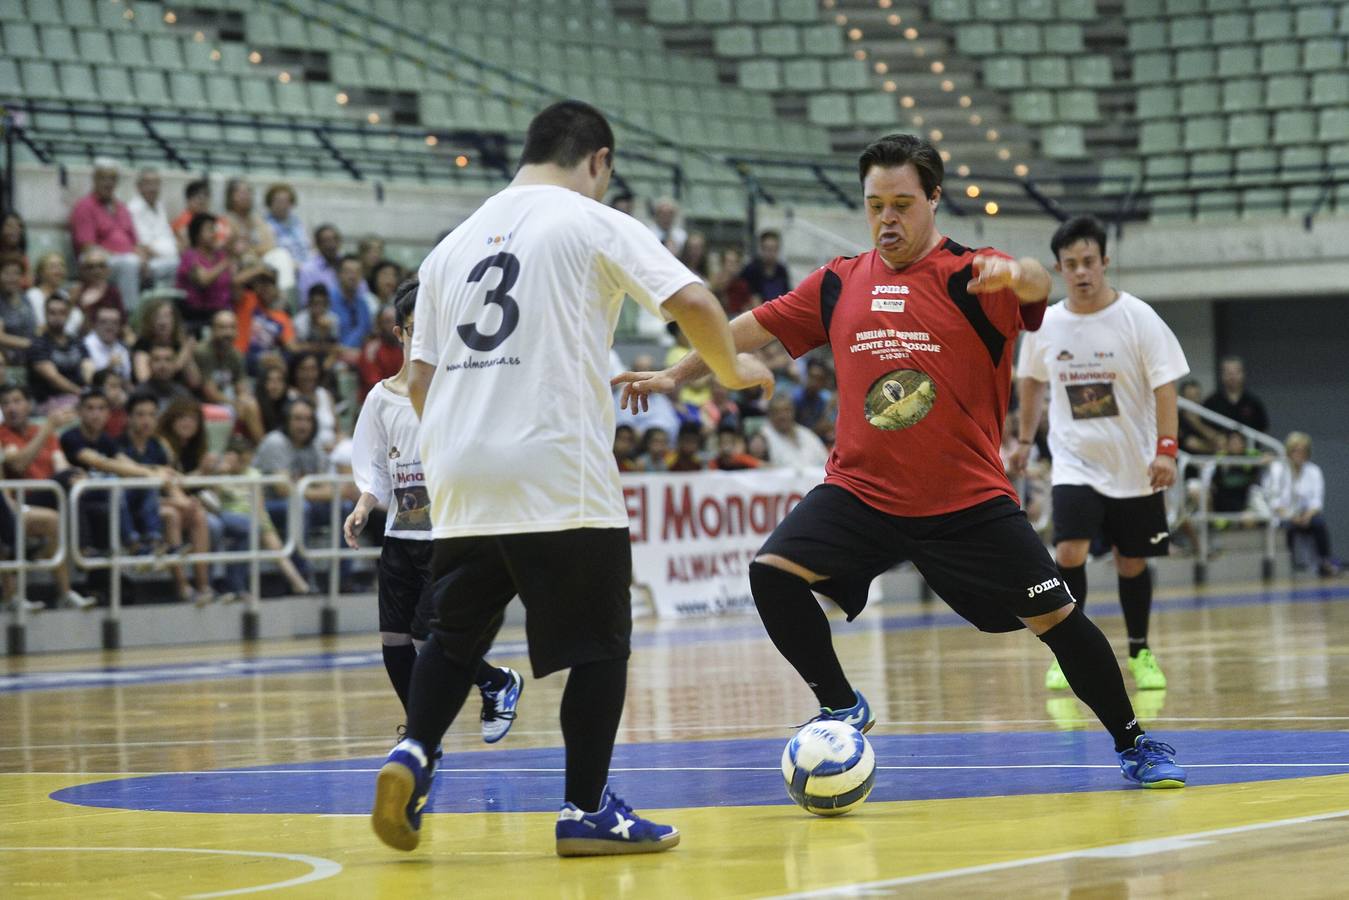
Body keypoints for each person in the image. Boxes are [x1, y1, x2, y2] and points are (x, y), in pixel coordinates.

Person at [616, 133, 1186, 790]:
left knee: (1056, 620)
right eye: (874, 204)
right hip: (862, 492)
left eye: (902, 204)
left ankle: (1132, 741)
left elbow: (1033, 277)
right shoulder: (837, 281)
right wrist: (675, 373)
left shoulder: (973, 275)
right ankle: (839, 703)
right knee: (771, 573)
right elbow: (751, 327)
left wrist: (1017, 274)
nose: (887, 218)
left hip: (966, 500)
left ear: (933, 199)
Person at [371, 100, 772, 857]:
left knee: (455, 636)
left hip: (458, 469)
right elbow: (693, 300)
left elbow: (417, 378)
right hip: (553, 463)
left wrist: (464, 438)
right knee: (598, 645)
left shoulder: (449, 247)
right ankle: (586, 810)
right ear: (599, 160)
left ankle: (412, 753)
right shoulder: (590, 220)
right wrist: (730, 372)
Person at [1012, 215, 1190, 693]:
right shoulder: (1046, 323)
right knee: (1068, 550)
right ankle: (1070, 652)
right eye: (1070, 265)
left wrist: (1166, 451)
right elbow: (1029, 381)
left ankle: (1139, 649)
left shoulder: (1137, 316)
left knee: (1130, 561)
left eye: (1089, 262)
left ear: (1105, 261)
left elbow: (1165, 385)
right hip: (1074, 463)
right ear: (1059, 268)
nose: (1081, 272)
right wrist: (1026, 440)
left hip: (1134, 465)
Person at [344, 280, 524, 742]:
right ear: (399, 332)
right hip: (401, 538)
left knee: (429, 638)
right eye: (413, 329)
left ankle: (493, 683)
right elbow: (378, 465)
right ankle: (423, 736)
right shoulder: (381, 398)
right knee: (394, 643)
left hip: (447, 537)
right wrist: (365, 503)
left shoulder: (457, 392)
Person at [119, 391, 199, 601]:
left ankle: (203, 586)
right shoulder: (119, 444)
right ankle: (179, 581)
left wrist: (184, 501)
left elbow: (169, 479)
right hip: (127, 508)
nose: (146, 421)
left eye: (152, 415)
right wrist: (177, 501)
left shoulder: (158, 446)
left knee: (196, 514)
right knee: (171, 513)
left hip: (154, 504)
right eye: (140, 415)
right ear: (129, 417)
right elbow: (142, 481)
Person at [213, 436, 311, 598]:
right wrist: (219, 474)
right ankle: (297, 583)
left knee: (275, 545)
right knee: (251, 529)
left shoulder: (253, 474)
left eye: (241, 457)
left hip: (254, 517)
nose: (236, 460)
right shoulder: (220, 475)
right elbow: (215, 500)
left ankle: (299, 584)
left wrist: (262, 523)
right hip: (229, 515)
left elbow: (259, 505)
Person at [68, 158, 147, 311]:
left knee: (168, 266)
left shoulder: (122, 207)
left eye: (112, 178)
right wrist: (126, 256)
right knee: (129, 263)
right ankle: (130, 314)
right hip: (96, 261)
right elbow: (87, 247)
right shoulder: (84, 206)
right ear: (95, 179)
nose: (108, 183)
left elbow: (135, 242)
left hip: (126, 258)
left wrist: (142, 258)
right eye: (103, 178)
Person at [1265, 432, 1338, 577]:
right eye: (1296, 450)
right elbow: (1273, 500)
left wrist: (1308, 515)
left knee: (1319, 523)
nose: (1300, 454)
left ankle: (1325, 562)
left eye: (1303, 450)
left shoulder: (1313, 470)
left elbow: (1317, 501)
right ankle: (1288, 565)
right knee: (1287, 528)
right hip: (1284, 515)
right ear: (1289, 451)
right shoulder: (1278, 469)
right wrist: (1291, 516)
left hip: (1306, 515)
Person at [28, 295, 93, 409]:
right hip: (50, 401)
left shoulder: (76, 341)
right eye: (52, 312)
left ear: (68, 315)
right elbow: (53, 378)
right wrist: (81, 393)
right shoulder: (38, 344)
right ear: (45, 314)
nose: (57, 317)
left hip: (79, 397)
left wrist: (89, 388)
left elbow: (88, 366)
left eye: (62, 312)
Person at [176, 213, 235, 335]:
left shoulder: (220, 255)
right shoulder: (190, 256)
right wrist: (224, 264)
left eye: (214, 229)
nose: (214, 234)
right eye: (209, 229)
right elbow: (203, 281)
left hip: (224, 309)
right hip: (200, 313)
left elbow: (233, 281)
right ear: (197, 234)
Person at [125, 167, 180, 287]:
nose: (153, 188)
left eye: (156, 184)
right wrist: (167, 256)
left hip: (169, 257)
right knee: (179, 266)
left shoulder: (159, 206)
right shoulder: (133, 209)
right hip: (150, 261)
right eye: (148, 183)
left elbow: (168, 236)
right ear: (139, 187)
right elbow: (141, 244)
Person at [1203, 356, 1269, 435]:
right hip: (1218, 446)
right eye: (1228, 373)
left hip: (1249, 446)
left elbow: (1263, 429)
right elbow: (1204, 426)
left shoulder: (1254, 403)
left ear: (1243, 374)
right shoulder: (1211, 402)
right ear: (1222, 375)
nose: (1233, 377)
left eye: (1236, 372)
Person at [760, 394, 828, 469]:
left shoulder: (806, 433)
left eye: (786, 410)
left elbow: (825, 460)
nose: (782, 416)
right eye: (777, 412)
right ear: (770, 414)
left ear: (793, 411)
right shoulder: (763, 437)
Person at [357, 305, 403, 402]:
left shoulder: (404, 348)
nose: (393, 325)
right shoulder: (371, 350)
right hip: (374, 403)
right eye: (388, 321)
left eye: (396, 320)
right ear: (379, 325)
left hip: (400, 399)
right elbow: (375, 386)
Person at [737, 229, 792, 305]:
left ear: (778, 249)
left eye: (773, 249)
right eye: (767, 249)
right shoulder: (751, 269)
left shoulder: (781, 270)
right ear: (761, 248)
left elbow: (787, 295)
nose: (770, 253)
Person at [330, 254, 373, 350]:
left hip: (358, 357)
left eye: (357, 272)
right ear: (339, 274)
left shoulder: (363, 304)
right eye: (348, 272)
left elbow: (367, 334)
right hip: (332, 355)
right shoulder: (328, 301)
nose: (353, 276)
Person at [263, 183, 310, 266]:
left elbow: (308, 246)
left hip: (304, 263)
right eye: (279, 201)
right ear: (270, 203)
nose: (283, 205)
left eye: (286, 201)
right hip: (281, 264)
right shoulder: (264, 224)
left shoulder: (298, 223)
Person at [0, 255, 36, 365]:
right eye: (7, 273)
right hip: (6, 359)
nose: (12, 278)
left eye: (16, 273)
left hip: (30, 357)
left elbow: (35, 328)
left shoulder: (25, 298)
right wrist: (31, 344)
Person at [296, 224, 343, 307]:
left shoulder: (347, 264)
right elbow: (305, 302)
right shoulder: (308, 270)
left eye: (335, 240)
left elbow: (362, 292)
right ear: (318, 244)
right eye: (327, 241)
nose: (332, 245)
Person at [82, 306, 132, 380]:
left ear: (120, 326)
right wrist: (109, 368)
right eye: (103, 322)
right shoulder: (84, 346)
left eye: (115, 322)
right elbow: (89, 380)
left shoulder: (123, 348)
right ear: (94, 324)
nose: (109, 327)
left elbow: (127, 380)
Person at [24, 251, 68, 330]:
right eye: (53, 267)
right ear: (41, 273)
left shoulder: (64, 295)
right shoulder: (33, 295)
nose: (59, 270)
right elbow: (39, 329)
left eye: (62, 266)